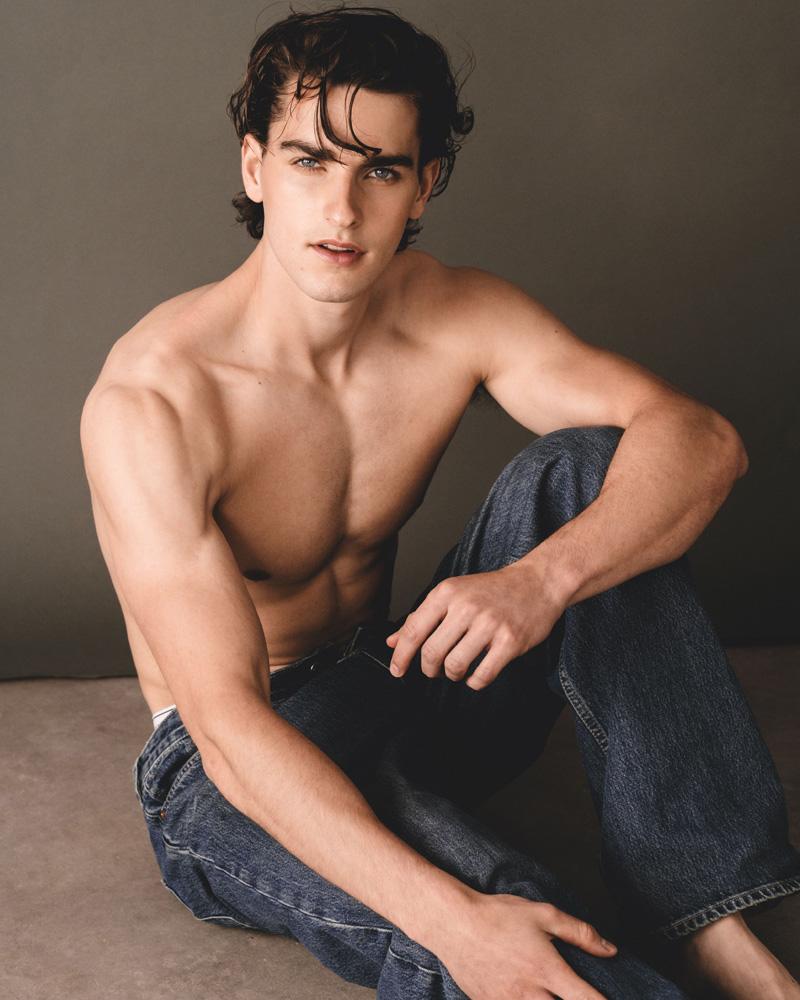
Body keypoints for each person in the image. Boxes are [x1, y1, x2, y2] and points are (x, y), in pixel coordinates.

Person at [79, 6, 800, 997]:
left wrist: (540, 582)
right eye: (309, 162)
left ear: (425, 183)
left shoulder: (452, 314)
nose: (342, 209)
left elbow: (701, 441)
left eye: (379, 170)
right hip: (228, 772)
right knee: (509, 923)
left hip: (394, 677)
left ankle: (705, 914)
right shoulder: (156, 401)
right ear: (254, 168)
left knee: (590, 467)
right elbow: (229, 729)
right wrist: (453, 920)